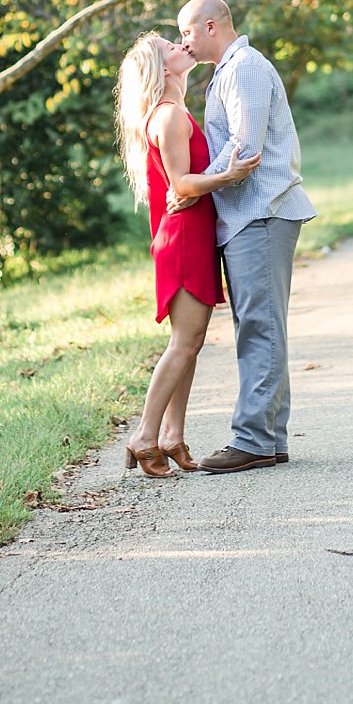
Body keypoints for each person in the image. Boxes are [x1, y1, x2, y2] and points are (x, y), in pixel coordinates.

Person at [175, 0, 317, 474]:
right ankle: (269, 438)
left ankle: (253, 439)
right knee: (259, 323)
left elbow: (244, 145)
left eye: (187, 32)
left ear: (211, 26)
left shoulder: (244, 68)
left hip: (262, 210)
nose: (184, 42)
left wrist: (196, 188)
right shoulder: (227, 72)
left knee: (259, 325)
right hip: (245, 214)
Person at [113, 33, 259, 477]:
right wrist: (227, 176)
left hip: (188, 234)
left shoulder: (172, 112)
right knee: (185, 343)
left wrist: (203, 185)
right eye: (170, 46)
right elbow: (182, 184)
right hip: (181, 239)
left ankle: (172, 434)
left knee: (189, 344)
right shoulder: (170, 116)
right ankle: (144, 435)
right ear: (163, 67)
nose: (183, 45)